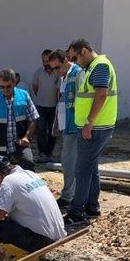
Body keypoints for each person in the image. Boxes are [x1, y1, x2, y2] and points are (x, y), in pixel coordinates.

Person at [64, 38, 118, 230]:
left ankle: (77, 213)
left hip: (95, 128)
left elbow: (101, 94)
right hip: (95, 126)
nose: (75, 62)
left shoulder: (99, 66)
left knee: (82, 170)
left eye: (75, 58)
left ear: (85, 51)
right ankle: (92, 207)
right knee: (91, 167)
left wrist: (89, 122)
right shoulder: (92, 67)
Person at [0, 156, 67, 259]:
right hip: (58, 235)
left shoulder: (8, 181)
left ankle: (25, 253)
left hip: (42, 241)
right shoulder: (29, 174)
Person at [0, 68, 39, 171]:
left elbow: (33, 118)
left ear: (14, 83)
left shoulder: (24, 95)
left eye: (8, 87)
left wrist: (27, 137)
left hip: (19, 146)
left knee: (28, 168)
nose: (5, 90)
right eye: (2, 87)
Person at [48, 49, 82, 211]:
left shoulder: (77, 74)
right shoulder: (64, 76)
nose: (55, 71)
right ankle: (72, 194)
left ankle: (69, 196)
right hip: (66, 125)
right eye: (52, 68)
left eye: (57, 67)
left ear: (66, 60)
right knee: (68, 161)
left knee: (69, 162)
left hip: (75, 125)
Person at [32, 49, 60, 163]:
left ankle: (49, 152)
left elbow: (58, 90)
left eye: (47, 60)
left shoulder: (58, 74)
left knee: (52, 131)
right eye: (43, 61)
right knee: (41, 130)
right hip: (41, 106)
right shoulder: (38, 73)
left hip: (54, 106)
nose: (45, 63)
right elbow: (35, 87)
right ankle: (42, 152)